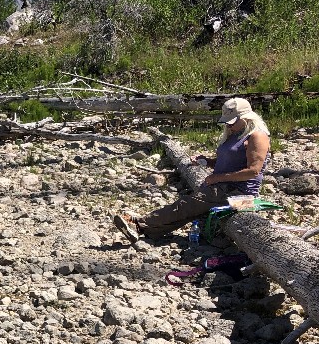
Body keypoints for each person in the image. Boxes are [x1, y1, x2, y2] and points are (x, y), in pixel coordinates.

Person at [114, 97, 271, 242]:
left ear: (247, 117)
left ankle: (140, 224)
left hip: (240, 192)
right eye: (227, 122)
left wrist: (217, 178)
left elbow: (253, 171)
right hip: (224, 187)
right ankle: (147, 230)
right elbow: (228, 162)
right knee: (192, 209)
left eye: (232, 121)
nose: (229, 125)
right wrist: (207, 161)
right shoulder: (235, 133)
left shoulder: (257, 136)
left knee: (188, 204)